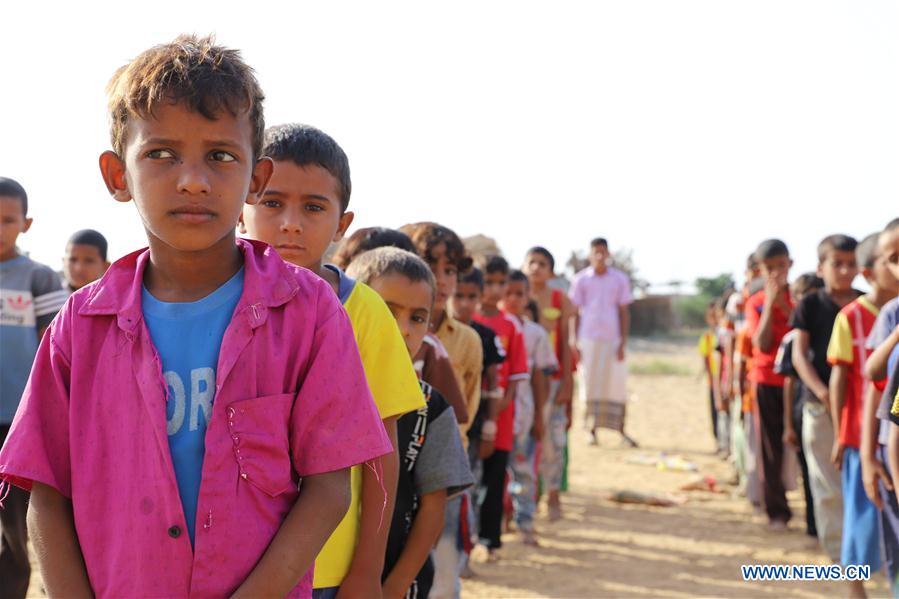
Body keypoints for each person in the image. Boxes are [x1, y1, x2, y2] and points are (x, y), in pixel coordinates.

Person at [0, 36, 394, 598]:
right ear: (118, 176)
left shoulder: (308, 314)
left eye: (221, 155)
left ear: (256, 178)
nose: (192, 179)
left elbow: (330, 487)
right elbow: (47, 494)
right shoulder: (79, 330)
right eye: (160, 154)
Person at [238, 123, 426, 599]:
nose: (291, 223)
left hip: (327, 570)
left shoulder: (363, 313)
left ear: (342, 225)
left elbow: (381, 452)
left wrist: (367, 567)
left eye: (314, 207)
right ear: (241, 206)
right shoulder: (213, 302)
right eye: (272, 202)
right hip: (229, 561)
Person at [347, 247, 474, 599]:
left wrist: (395, 586)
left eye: (418, 318)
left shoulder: (429, 408)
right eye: (387, 311)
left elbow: (434, 508)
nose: (402, 330)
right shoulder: (314, 391)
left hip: (394, 581)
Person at [400, 222, 482, 599]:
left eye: (450, 270)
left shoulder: (464, 342)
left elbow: (466, 407)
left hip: (439, 472)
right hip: (392, 473)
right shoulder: (371, 327)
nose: (441, 278)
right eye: (431, 264)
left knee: (443, 569)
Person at [0, 176, 67, 598]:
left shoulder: (38, 279)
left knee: (13, 525)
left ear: (25, 224)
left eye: (7, 220)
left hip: (15, 422)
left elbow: (55, 353)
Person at [827, 231, 897, 597]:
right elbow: (843, 378)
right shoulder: (851, 317)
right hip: (861, 437)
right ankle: (856, 591)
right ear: (872, 272)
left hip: (890, 436)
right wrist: (841, 432)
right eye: (892, 260)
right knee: (862, 526)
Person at [791, 235, 860, 552]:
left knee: (858, 480)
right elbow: (799, 356)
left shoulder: (865, 304)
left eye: (851, 264)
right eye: (837, 264)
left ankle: (862, 548)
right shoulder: (810, 304)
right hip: (818, 407)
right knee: (826, 485)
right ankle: (839, 555)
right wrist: (822, 392)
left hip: (859, 407)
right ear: (821, 267)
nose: (845, 271)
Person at [471, 255, 529, 559]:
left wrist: (498, 408)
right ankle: (466, 542)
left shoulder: (512, 327)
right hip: (470, 411)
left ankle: (490, 540)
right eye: (489, 282)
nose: (494, 290)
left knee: (495, 479)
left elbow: (516, 376)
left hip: (502, 417)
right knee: (468, 477)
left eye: (500, 283)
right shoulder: (468, 321)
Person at [745, 238, 796, 530]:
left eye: (781, 266)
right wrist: (769, 304)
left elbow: (802, 333)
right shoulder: (755, 303)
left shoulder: (800, 300)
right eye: (770, 268)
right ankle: (776, 510)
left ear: (790, 264)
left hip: (793, 382)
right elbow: (761, 343)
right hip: (766, 381)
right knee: (770, 448)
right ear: (760, 271)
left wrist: (784, 306)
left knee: (795, 446)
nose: (777, 272)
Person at [503, 270, 557, 545]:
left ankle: (525, 523)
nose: (512, 299)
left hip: (523, 414)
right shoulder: (490, 327)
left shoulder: (535, 334)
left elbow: (540, 377)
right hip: (497, 416)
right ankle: (499, 524)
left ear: (528, 298)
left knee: (523, 472)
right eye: (507, 292)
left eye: (519, 294)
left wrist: (539, 416)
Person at [569, 237, 636, 447]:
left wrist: (623, 342)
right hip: (588, 339)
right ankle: (591, 429)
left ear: (608, 254)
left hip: (612, 338)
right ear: (590, 254)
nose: (599, 256)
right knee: (590, 384)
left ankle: (619, 428)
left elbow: (624, 311)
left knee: (615, 384)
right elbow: (574, 313)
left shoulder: (619, 279)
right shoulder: (581, 280)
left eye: (603, 252)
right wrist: (574, 340)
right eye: (595, 252)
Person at [862, 218, 899, 594]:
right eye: (895, 258)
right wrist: (869, 455)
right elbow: (872, 375)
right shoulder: (892, 314)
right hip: (893, 448)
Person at [523, 246, 574, 520]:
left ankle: (552, 494)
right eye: (532, 262)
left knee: (554, 438)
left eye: (542, 263)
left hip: (552, 380)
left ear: (551, 270)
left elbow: (566, 342)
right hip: (522, 382)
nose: (536, 268)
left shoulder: (559, 299)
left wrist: (567, 380)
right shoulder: (516, 295)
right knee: (524, 439)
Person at [777, 272, 825, 540]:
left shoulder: (831, 328)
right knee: (809, 473)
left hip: (828, 412)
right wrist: (787, 424)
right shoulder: (793, 340)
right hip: (802, 412)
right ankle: (814, 526)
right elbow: (790, 383)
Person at [698, 301, 722, 447]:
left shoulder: (725, 334)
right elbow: (705, 360)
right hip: (713, 381)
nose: (714, 319)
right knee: (714, 412)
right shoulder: (707, 338)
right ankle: (718, 441)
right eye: (711, 316)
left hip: (724, 380)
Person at [61, 229, 110, 294]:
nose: (79, 268)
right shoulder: (50, 298)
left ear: (106, 266)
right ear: (64, 261)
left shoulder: (116, 300)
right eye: (73, 259)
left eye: (89, 261)